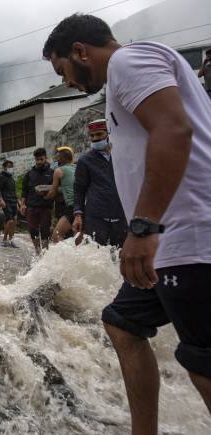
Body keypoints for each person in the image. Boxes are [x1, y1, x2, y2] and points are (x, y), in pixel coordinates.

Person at [44, 14, 211, 434]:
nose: (66, 81)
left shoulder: (127, 63)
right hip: (169, 237)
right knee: (121, 322)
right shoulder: (140, 68)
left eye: (62, 69)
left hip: (187, 234)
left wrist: (144, 226)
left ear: (81, 51)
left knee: (203, 362)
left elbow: (173, 130)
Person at [72, 119, 127, 247]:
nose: (95, 138)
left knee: (121, 257)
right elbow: (79, 189)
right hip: (96, 218)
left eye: (99, 134)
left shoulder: (122, 156)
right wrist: (78, 214)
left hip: (122, 216)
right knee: (97, 257)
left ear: (109, 134)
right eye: (92, 135)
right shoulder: (85, 161)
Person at [20, 148, 54, 255]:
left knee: (45, 230)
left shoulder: (52, 173)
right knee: (32, 230)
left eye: (41, 159)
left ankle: (45, 253)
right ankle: (38, 252)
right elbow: (24, 191)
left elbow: (56, 189)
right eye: (37, 159)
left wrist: (47, 193)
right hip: (32, 207)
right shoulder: (29, 174)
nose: (39, 162)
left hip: (46, 207)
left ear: (45, 158)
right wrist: (22, 204)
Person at [44, 147, 76, 243]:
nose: (56, 159)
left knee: (56, 235)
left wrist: (45, 196)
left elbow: (53, 192)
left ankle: (65, 257)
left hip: (71, 206)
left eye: (58, 157)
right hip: (85, 205)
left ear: (62, 158)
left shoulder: (58, 171)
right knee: (77, 236)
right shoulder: (76, 168)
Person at [0, 160, 19, 248]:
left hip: (13, 201)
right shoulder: (1, 176)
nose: (10, 168)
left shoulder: (11, 178)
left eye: (11, 166)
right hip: (6, 201)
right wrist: (1, 199)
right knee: (10, 221)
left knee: (15, 221)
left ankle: (11, 240)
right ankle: (4, 240)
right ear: (5, 167)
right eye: (9, 166)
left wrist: (18, 201)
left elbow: (14, 191)